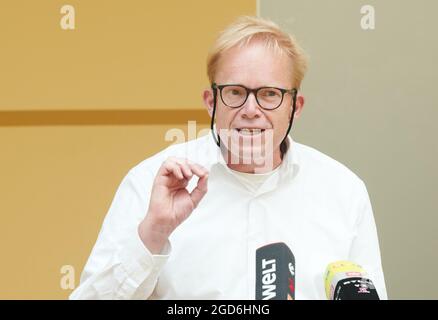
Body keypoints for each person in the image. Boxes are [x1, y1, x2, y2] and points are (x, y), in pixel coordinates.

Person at [70, 16, 388, 300]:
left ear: (296, 107)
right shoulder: (151, 183)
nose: (251, 111)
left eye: (269, 94)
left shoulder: (344, 191)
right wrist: (152, 234)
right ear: (211, 102)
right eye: (235, 92)